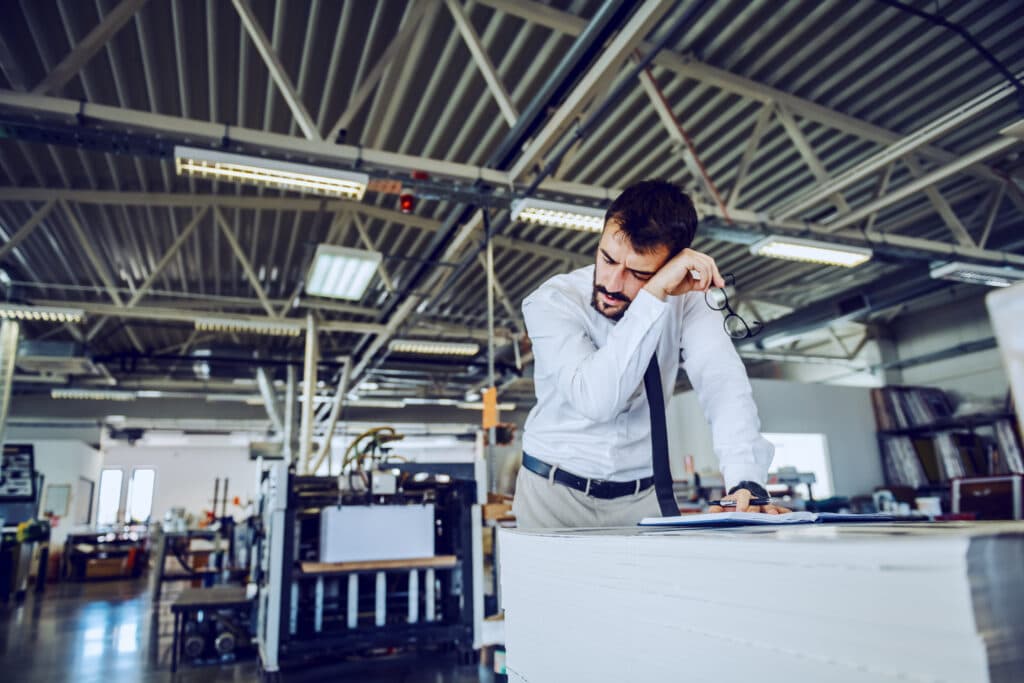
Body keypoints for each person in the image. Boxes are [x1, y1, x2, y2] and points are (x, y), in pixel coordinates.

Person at [512, 179, 787, 529]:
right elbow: (596, 399)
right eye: (607, 259)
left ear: (671, 266)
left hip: (642, 497)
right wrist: (652, 293)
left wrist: (745, 478)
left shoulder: (690, 301)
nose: (612, 284)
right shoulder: (552, 301)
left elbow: (723, 385)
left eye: (639, 273)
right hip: (552, 493)